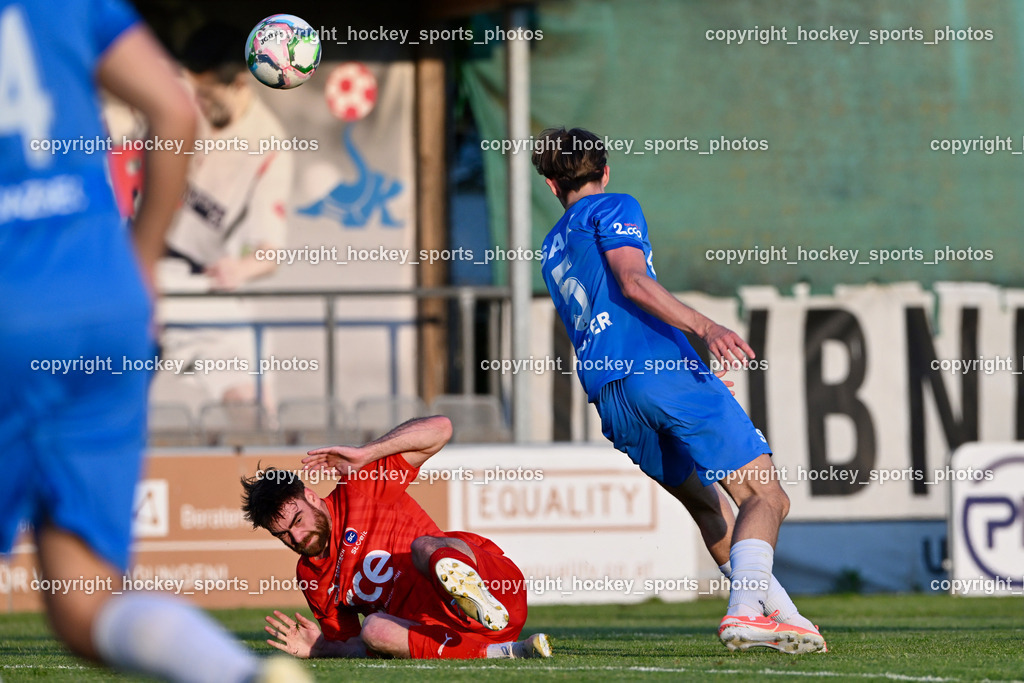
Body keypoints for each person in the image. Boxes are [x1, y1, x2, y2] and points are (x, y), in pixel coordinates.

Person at [0, 1, 306, 681]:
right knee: (85, 600)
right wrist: (139, 269)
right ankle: (240, 674)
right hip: (111, 299)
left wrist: (223, 265)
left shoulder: (270, 146)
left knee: (245, 402)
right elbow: (171, 110)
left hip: (54, 299)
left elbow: (267, 243)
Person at [532, 127, 825, 654]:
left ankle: (783, 614)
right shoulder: (615, 205)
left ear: (552, 186)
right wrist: (706, 330)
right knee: (765, 495)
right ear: (604, 171)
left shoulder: (551, 246)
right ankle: (742, 613)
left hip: (612, 394)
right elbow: (633, 283)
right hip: (658, 372)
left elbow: (604, 313)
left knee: (710, 505)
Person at [240, 416, 552, 660]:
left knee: (426, 546)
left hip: (501, 594)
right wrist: (322, 647)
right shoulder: (311, 574)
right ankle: (508, 651)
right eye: (282, 535)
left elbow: (440, 429)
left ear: (310, 496)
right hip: (444, 637)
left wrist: (367, 453)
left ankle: (474, 596)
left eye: (297, 521)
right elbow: (353, 645)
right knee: (373, 631)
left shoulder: (359, 488)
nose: (296, 537)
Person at [153, 21, 293, 413]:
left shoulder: (269, 145)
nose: (195, 103)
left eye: (206, 95)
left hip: (194, 282)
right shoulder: (172, 96)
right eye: (191, 90)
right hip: (126, 266)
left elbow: (269, 253)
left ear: (240, 86)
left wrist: (240, 270)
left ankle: (250, 471)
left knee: (254, 388)